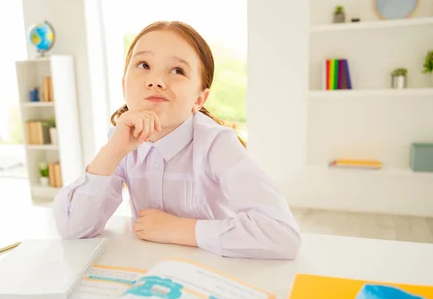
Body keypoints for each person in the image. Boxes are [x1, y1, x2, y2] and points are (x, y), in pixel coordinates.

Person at [53, 20, 301, 259]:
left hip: (214, 274)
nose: (156, 81)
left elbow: (282, 235)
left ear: (199, 100)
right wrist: (112, 150)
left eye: (177, 70)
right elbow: (74, 230)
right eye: (143, 65)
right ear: (123, 85)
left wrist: (178, 229)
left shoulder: (217, 144)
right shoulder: (121, 140)